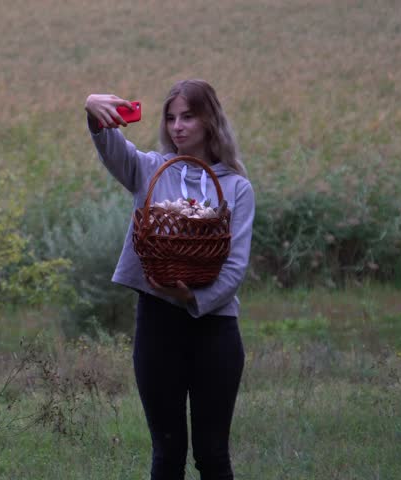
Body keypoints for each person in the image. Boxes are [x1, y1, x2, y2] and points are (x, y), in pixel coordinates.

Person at [84, 79, 255, 480]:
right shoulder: (149, 169)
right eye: (171, 118)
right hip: (158, 325)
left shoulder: (237, 187)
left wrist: (191, 298)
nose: (178, 126)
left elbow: (234, 268)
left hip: (215, 329)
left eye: (188, 117)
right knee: (167, 452)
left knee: (212, 455)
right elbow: (112, 149)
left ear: (210, 121)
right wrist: (93, 111)